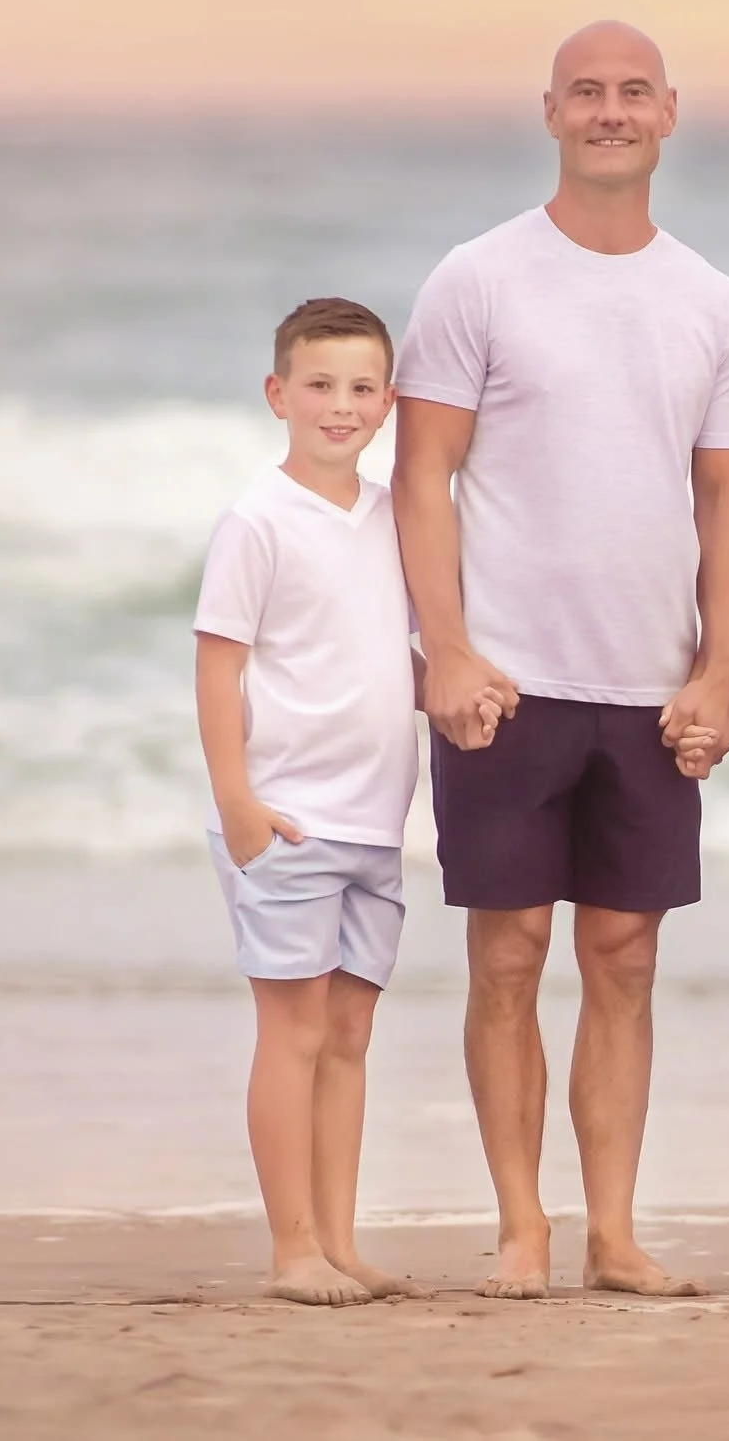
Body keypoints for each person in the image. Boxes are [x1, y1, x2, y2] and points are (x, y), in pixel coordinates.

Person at [391, 22, 729, 1299]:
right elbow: (420, 476)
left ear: (669, 114)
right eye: (587, 92)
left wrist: (719, 670)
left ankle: (612, 1229)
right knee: (504, 956)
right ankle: (520, 1226)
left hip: (648, 690)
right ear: (549, 110)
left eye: (632, 92)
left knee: (626, 958)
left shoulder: (709, 299)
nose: (610, 110)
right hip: (505, 681)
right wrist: (443, 648)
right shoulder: (477, 277)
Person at [194, 298, 501, 1306]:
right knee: (289, 1031)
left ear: (390, 402)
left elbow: (382, 661)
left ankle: (338, 1238)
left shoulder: (388, 519)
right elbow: (218, 668)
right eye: (318, 385)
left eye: (362, 387)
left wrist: (455, 688)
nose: (341, 404)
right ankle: (291, 1249)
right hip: (285, 815)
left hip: (375, 823)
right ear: (279, 394)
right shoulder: (256, 519)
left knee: (349, 1034)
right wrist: (237, 801)